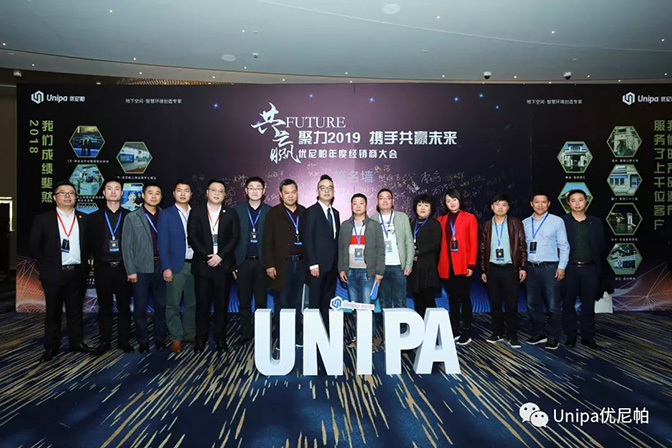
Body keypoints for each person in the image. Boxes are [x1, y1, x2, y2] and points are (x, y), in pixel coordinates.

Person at [30, 181, 93, 362]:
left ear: (75, 197)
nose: (67, 196)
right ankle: (51, 346)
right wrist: (50, 263)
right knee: (53, 312)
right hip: (54, 273)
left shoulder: (84, 219)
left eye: (71, 193)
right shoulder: (43, 219)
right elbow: (34, 247)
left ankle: (77, 342)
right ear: (54, 197)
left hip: (77, 273)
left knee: (75, 311)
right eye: (63, 193)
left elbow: (89, 245)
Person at [188, 179, 239, 353]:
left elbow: (234, 237)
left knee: (221, 306)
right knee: (202, 305)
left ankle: (220, 338)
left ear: (225, 195)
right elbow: (192, 237)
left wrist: (220, 256)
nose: (217, 193)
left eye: (221, 191)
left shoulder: (230, 213)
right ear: (207, 192)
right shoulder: (197, 212)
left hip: (222, 267)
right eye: (214, 190)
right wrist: (207, 256)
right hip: (203, 266)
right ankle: (200, 339)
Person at [88, 179, 134, 355]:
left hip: (123, 267)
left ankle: (124, 340)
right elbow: (89, 244)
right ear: (104, 193)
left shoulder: (130, 216)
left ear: (122, 193)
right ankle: (104, 341)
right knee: (104, 306)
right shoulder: (94, 217)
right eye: (109, 189)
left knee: (124, 306)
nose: (113, 192)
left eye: (117, 189)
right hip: (103, 267)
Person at [561, 189, 610, 349]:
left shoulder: (595, 222)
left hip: (590, 268)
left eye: (580, 200)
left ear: (586, 202)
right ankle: (571, 335)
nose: (577, 203)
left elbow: (601, 246)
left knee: (589, 304)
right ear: (568, 203)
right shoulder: (562, 222)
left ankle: (588, 336)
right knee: (568, 303)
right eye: (573, 200)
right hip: (570, 268)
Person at [122, 183, 166, 353]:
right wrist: (131, 270)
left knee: (161, 305)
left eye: (157, 193)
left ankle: (160, 338)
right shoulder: (132, 217)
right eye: (150, 193)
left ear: (161, 196)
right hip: (140, 268)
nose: (154, 196)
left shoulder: (166, 216)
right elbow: (127, 247)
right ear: (143, 195)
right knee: (140, 307)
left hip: (161, 266)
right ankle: (143, 341)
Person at [523, 192, 570, 350]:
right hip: (530, 268)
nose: (540, 205)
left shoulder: (557, 221)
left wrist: (562, 266)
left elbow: (564, 245)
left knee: (553, 305)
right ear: (531, 204)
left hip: (550, 268)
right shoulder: (525, 223)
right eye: (537, 202)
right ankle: (539, 333)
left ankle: (553, 337)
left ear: (549, 204)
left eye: (543, 202)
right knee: (532, 304)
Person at [479, 193, 527, 349]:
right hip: (492, 269)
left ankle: (512, 335)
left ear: (508, 207)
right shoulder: (486, 225)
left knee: (511, 304)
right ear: (492, 207)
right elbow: (483, 249)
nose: (500, 207)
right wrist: (484, 270)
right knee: (495, 303)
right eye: (497, 204)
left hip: (510, 268)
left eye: (504, 204)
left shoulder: (515, 223)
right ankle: (497, 333)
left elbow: (522, 246)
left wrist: (522, 267)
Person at [263, 179, 306, 345]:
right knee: (282, 301)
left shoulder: (304, 212)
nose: (290, 195)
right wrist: (269, 265)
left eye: (293, 192)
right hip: (281, 265)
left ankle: (296, 333)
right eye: (286, 193)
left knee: (297, 302)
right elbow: (266, 241)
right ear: (281, 194)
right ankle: (282, 336)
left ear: (297, 193)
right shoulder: (273, 213)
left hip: (301, 264)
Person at [338, 194, 385, 347]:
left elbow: (381, 250)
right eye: (355, 203)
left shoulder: (374, 225)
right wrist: (341, 269)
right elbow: (341, 249)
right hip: (350, 272)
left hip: (367, 272)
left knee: (366, 306)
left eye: (361, 203)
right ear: (351, 206)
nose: (358, 206)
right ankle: (358, 336)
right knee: (354, 307)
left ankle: (369, 338)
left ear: (366, 205)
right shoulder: (345, 225)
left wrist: (379, 272)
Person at [158, 180, 197, 353]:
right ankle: (176, 337)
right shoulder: (166, 214)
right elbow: (162, 243)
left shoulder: (197, 213)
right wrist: (166, 267)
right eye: (179, 190)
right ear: (173, 193)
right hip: (175, 266)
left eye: (186, 190)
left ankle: (189, 333)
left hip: (195, 264)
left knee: (192, 302)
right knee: (173, 304)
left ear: (191, 194)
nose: (182, 194)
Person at [437, 189, 478, 345]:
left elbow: (474, 243)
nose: (452, 203)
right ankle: (454, 329)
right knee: (452, 299)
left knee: (464, 298)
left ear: (460, 200)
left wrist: (471, 264)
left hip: (463, 265)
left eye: (454, 199)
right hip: (447, 266)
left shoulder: (469, 218)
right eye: (448, 201)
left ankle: (467, 330)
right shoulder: (441, 219)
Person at [233, 177, 271, 344]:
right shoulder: (237, 211)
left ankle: (262, 333)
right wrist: (233, 264)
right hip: (243, 262)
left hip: (263, 263)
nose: (255, 191)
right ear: (246, 190)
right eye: (251, 187)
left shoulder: (270, 211)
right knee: (244, 301)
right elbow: (231, 239)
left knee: (261, 301)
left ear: (264, 191)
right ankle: (246, 333)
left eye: (258, 188)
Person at [304, 175, 340, 327]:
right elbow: (307, 239)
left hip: (332, 268)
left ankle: (325, 332)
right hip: (317, 268)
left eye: (330, 188)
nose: (326, 191)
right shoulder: (311, 212)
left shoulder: (335, 213)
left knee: (327, 302)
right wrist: (313, 264)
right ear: (317, 191)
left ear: (334, 191)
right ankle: (313, 333)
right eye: (323, 188)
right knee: (315, 303)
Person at [371, 189, 414, 310]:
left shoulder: (402, 217)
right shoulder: (373, 219)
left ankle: (401, 323)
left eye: (388, 198)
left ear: (392, 201)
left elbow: (409, 242)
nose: (385, 201)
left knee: (400, 302)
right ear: (377, 201)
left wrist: (409, 264)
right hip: (381, 268)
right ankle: (386, 323)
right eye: (381, 198)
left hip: (399, 267)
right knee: (385, 303)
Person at [407, 194, 442, 318]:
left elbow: (435, 244)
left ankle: (432, 326)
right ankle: (420, 326)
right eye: (420, 205)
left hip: (428, 268)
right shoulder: (411, 223)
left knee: (428, 299)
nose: (422, 208)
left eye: (426, 205)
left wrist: (417, 252)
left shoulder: (435, 224)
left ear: (431, 209)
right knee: (417, 299)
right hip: (415, 268)